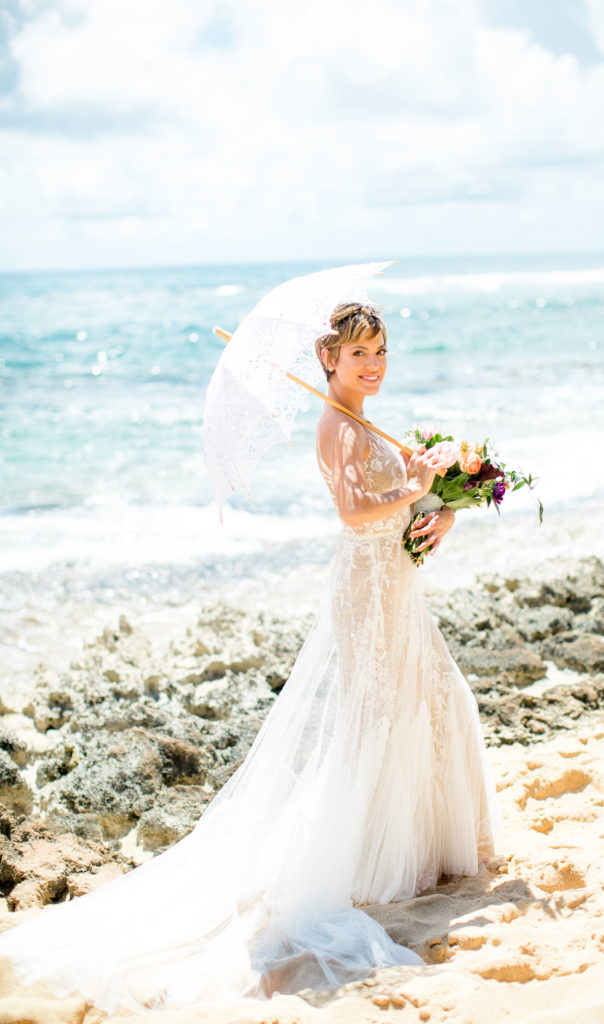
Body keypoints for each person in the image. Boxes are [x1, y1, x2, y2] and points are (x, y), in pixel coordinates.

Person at [0, 303, 500, 1013]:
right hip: (366, 592)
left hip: (394, 582)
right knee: (385, 712)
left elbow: (393, 510)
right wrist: (415, 487)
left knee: (430, 698)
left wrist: (438, 510)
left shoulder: (361, 423)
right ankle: (377, 861)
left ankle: (421, 853)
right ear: (328, 360)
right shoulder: (335, 426)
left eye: (380, 351)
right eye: (358, 354)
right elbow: (353, 514)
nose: (372, 365)